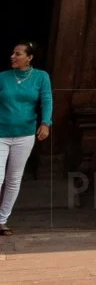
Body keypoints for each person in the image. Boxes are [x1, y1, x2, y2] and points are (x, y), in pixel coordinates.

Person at [0, 41, 51, 235]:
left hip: (25, 134)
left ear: (29, 57)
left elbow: (46, 100)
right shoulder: (3, 78)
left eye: (18, 54)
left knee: (14, 179)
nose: (13, 56)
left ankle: (2, 220)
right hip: (1, 133)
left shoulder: (40, 77)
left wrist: (45, 123)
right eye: (12, 53)